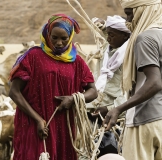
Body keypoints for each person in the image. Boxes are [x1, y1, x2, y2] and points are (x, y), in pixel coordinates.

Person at [9, 14, 97, 160]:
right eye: (54, 37)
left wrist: (73, 99)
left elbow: (93, 91)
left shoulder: (77, 61)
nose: (59, 43)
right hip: (33, 124)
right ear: (47, 34)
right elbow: (14, 92)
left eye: (64, 39)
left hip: (63, 127)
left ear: (70, 37)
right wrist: (37, 119)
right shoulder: (33, 56)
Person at [104, 1, 162, 160]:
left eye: (130, 13)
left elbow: (155, 82)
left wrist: (118, 109)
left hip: (144, 121)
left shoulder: (146, 38)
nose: (128, 20)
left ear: (144, 10)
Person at [87, 15, 130, 121]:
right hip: (96, 103)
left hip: (115, 113)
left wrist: (109, 109)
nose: (108, 38)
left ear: (125, 36)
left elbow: (130, 93)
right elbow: (111, 31)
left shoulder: (129, 57)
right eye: (108, 34)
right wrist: (103, 25)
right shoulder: (109, 47)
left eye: (111, 35)